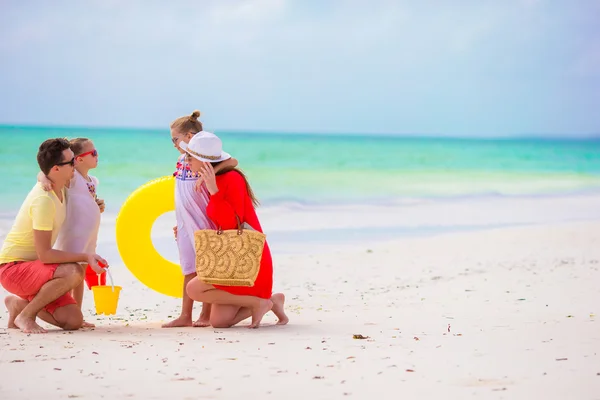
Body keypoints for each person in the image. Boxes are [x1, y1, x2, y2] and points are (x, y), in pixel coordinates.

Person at [180, 131, 288, 328]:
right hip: (231, 260)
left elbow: (232, 224)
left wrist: (214, 192)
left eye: (190, 157)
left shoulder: (231, 179)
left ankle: (261, 301)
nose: (187, 162)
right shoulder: (210, 180)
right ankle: (268, 302)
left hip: (250, 262)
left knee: (193, 289)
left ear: (204, 162)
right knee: (219, 322)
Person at [0, 138, 107, 334]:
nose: (75, 164)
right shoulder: (44, 199)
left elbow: (51, 173)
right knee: (73, 271)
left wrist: (94, 205)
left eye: (75, 159)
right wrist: (86, 256)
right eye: (71, 162)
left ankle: (18, 306)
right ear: (57, 169)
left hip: (36, 270)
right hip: (13, 269)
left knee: (73, 320)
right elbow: (46, 255)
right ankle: (27, 316)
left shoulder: (61, 188)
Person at [163, 110, 238, 328]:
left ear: (188, 136)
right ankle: (185, 315)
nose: (174, 144)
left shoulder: (208, 159)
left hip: (205, 222)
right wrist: (180, 221)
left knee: (207, 269)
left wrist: (213, 172)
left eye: (175, 139)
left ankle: (205, 314)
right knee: (188, 269)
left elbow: (232, 160)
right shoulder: (181, 160)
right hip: (185, 225)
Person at [38, 138, 106, 328]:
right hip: (73, 236)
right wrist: (44, 180)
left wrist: (97, 205)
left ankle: (78, 313)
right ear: (78, 159)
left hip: (88, 236)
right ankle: (58, 308)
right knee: (71, 274)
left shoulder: (92, 180)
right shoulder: (72, 177)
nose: (97, 156)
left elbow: (86, 201)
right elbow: (44, 172)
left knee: (81, 274)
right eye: (93, 153)